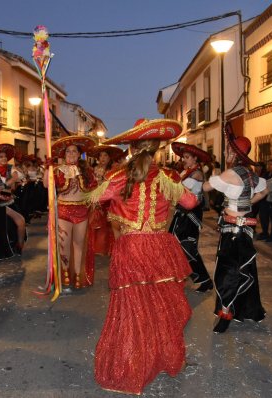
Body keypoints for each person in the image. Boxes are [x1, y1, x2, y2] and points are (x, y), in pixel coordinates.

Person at [89, 119, 196, 394]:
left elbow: (95, 199)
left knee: (133, 307)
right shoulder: (168, 177)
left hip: (131, 247)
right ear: (158, 148)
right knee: (162, 305)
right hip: (160, 247)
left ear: (132, 147)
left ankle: (132, 365)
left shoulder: (118, 175)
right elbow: (191, 203)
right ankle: (164, 358)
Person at [202, 123, 268, 333]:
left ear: (233, 152)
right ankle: (246, 310)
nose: (225, 152)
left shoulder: (231, 174)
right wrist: (248, 203)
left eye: (228, 149)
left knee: (227, 273)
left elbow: (206, 187)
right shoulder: (251, 174)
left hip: (234, 232)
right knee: (243, 270)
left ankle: (226, 313)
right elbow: (264, 191)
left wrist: (207, 172)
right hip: (244, 230)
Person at [45, 136, 97, 289]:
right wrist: (47, 167)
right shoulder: (58, 170)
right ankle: (66, 274)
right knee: (64, 244)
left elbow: (94, 188)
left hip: (82, 211)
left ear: (79, 154)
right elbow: (47, 185)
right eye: (68, 151)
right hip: (63, 211)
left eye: (74, 151)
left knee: (79, 244)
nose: (71, 154)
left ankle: (78, 276)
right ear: (64, 154)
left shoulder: (87, 171)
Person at [169, 142, 213, 293]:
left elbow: (180, 191)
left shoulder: (196, 174)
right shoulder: (187, 172)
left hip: (190, 215)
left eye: (187, 157)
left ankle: (204, 280)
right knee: (176, 246)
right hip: (181, 214)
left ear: (195, 158)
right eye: (183, 157)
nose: (184, 160)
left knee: (188, 248)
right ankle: (182, 276)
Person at [0, 144, 27, 256]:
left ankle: (19, 246)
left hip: (10, 202)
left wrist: (5, 185)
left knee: (21, 223)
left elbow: (15, 177)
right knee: (19, 221)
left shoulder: (12, 169)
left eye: (5, 156)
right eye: (1, 157)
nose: (4, 158)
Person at [87, 145, 124, 257]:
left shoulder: (114, 169)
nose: (102, 158)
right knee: (97, 222)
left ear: (109, 157)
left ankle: (112, 248)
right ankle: (99, 247)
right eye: (101, 156)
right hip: (97, 199)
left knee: (110, 224)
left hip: (109, 200)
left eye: (105, 155)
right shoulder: (94, 169)